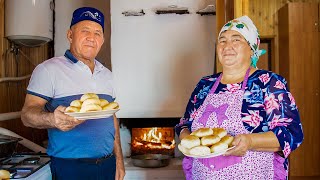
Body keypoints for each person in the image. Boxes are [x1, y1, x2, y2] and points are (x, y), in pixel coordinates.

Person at [175, 16, 303, 180]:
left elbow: (292, 133)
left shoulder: (268, 83)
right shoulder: (205, 84)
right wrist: (190, 141)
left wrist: (250, 142)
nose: (227, 46)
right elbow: (184, 124)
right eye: (222, 40)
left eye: (236, 39)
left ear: (251, 49)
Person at [21, 7, 125, 180]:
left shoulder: (107, 74)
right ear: (70, 35)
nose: (92, 38)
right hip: (70, 168)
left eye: (98, 33)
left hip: (107, 164)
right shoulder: (48, 69)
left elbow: (112, 119)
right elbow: (27, 115)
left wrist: (119, 160)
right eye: (85, 31)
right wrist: (52, 119)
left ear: (103, 40)